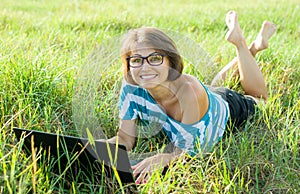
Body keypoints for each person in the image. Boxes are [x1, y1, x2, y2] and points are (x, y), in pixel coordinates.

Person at [106, 11, 276, 184]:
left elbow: (190, 153)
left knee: (259, 99)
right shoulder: (131, 88)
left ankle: (241, 44)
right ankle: (253, 48)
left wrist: (165, 158)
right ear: (128, 65)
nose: (145, 68)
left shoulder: (190, 94)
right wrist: (94, 147)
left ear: (170, 62)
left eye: (155, 58)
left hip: (227, 107)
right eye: (136, 60)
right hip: (208, 97)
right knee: (216, 84)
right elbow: (125, 140)